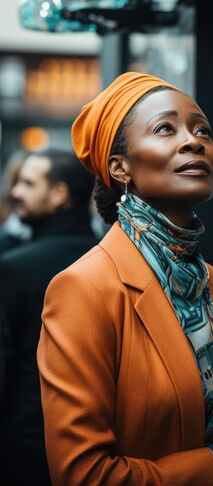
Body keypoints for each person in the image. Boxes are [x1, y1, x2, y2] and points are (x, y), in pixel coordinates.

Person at [37, 72, 213, 486]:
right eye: (166, 128)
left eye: (203, 130)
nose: (193, 141)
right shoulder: (84, 289)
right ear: (120, 167)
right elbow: (82, 474)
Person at [0, 148, 98, 486]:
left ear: (59, 194)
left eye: (28, 183)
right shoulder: (112, 265)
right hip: (97, 454)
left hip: (24, 457)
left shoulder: (14, 269)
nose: (15, 192)